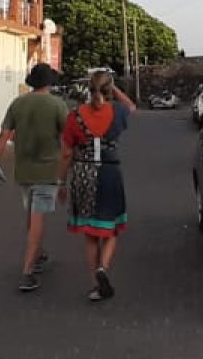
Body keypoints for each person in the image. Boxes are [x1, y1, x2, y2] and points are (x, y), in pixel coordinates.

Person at [59, 69, 137, 302]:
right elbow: (131, 106)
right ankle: (103, 266)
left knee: (91, 234)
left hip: (84, 174)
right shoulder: (117, 112)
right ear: (108, 89)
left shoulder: (75, 116)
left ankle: (95, 284)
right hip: (109, 173)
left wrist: (61, 182)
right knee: (111, 229)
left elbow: (65, 153)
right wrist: (112, 88)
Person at [0, 63, 68, 292]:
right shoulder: (57, 105)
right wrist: (67, 170)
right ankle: (27, 271)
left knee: (33, 214)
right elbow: (67, 139)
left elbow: (4, 134)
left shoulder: (18, 103)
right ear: (50, 82)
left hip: (23, 170)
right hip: (48, 170)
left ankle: (39, 253)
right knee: (38, 218)